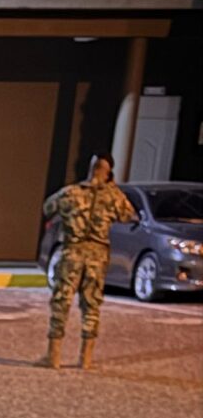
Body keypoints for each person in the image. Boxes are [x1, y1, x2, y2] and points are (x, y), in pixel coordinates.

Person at [39, 155, 136, 369]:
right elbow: (129, 216)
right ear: (109, 172)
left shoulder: (71, 192)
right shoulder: (114, 197)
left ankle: (53, 355)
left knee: (61, 300)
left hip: (72, 250)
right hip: (98, 254)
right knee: (92, 303)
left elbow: (48, 208)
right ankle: (86, 358)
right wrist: (110, 188)